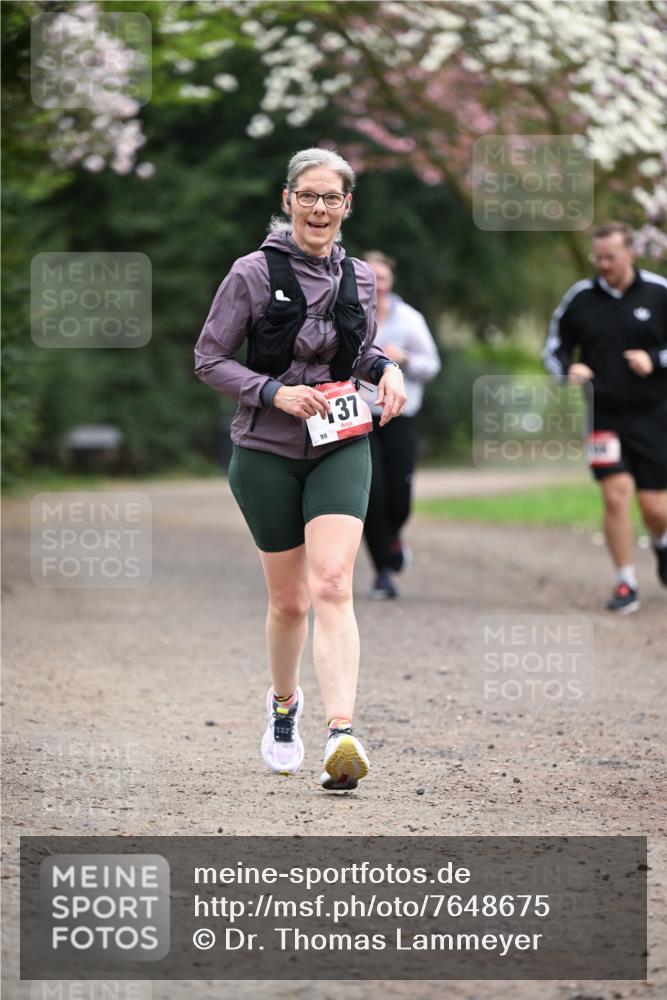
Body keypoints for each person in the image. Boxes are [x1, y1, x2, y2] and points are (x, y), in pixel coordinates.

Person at [194, 148, 407, 789]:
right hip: (265, 451)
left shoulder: (361, 277)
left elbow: (360, 350)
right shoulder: (253, 273)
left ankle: (341, 734)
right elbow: (209, 358)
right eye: (308, 196)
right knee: (289, 603)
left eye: (332, 198)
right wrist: (271, 391)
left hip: (341, 441)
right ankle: (284, 707)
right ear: (289, 200)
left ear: (347, 206)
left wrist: (386, 369)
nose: (320, 209)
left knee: (334, 582)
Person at [543, 221, 667, 613]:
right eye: (598, 257)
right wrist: (569, 370)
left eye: (611, 256)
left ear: (631, 253)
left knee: (655, 508)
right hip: (603, 416)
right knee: (616, 497)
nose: (603, 264)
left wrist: (656, 359)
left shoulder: (659, 292)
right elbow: (554, 348)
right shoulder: (580, 298)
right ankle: (626, 582)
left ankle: (662, 543)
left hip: (656, 415)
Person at [360, 252, 441, 599]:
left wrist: (403, 358)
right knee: (372, 496)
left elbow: (432, 364)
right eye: (372, 279)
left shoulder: (409, 319)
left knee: (399, 498)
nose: (378, 286)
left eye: (384, 279)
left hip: (401, 416)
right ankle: (382, 573)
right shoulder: (348, 314)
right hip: (360, 417)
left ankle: (393, 538)